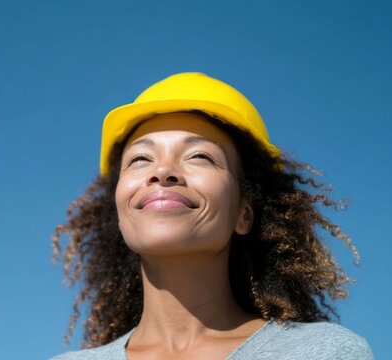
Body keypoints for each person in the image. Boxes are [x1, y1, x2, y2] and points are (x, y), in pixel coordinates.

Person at [50, 73, 373, 359]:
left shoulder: (321, 353)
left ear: (244, 213)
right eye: (140, 159)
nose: (162, 171)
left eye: (200, 156)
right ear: (119, 212)